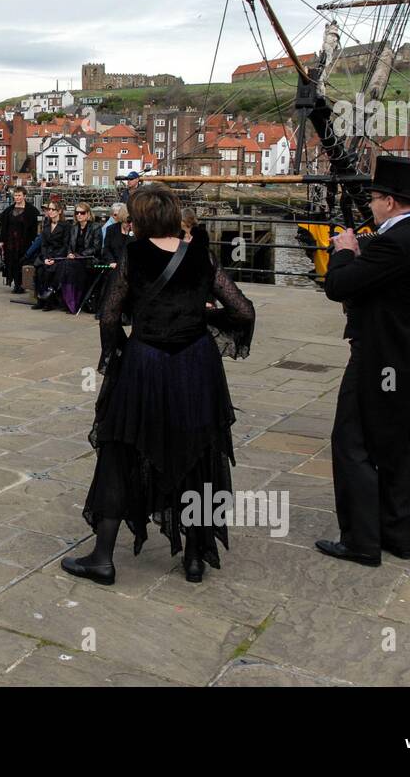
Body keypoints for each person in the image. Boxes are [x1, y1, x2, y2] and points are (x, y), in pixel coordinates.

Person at [63, 187, 255, 586]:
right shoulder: (200, 255)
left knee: (120, 452)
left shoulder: (133, 256)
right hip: (195, 367)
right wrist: (204, 319)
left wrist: (115, 356)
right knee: (198, 453)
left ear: (141, 220)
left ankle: (102, 558)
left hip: (145, 364)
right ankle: (195, 558)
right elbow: (243, 311)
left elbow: (108, 316)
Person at [318, 157, 410, 567]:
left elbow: (338, 286)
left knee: (352, 443)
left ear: (390, 202)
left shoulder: (396, 242)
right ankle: (397, 535)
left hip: (379, 355)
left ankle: (360, 540)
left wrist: (344, 251)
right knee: (394, 446)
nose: (371, 206)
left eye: (375, 199)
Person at [58, 203, 101, 313]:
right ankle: (69, 301)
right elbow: (69, 246)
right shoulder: (74, 227)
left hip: (89, 259)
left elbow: (96, 248)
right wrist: (70, 254)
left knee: (68, 266)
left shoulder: (96, 227)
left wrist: (78, 255)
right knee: (65, 264)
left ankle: (67, 300)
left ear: (88, 214)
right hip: (74, 260)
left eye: (82, 213)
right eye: (77, 213)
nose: (79, 215)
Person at [0, 186, 39, 294]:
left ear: (24, 196)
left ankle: (22, 284)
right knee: (12, 262)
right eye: (15, 195)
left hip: (24, 241)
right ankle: (16, 284)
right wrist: (1, 240)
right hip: (10, 241)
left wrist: (33, 242)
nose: (17, 197)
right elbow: (4, 227)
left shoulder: (31, 211)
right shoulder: (9, 210)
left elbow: (33, 229)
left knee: (22, 262)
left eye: (19, 195)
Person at [31, 199, 70, 310]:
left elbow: (65, 245)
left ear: (59, 211)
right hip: (47, 255)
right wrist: (45, 257)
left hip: (59, 256)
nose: (50, 212)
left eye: (53, 209)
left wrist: (54, 258)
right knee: (39, 270)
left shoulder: (66, 226)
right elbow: (43, 244)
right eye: (49, 209)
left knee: (50, 271)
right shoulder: (46, 225)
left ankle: (49, 301)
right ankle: (40, 300)